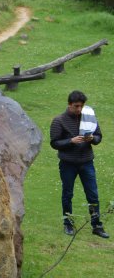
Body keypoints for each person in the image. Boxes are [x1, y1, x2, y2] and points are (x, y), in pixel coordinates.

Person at [50, 90, 107, 239]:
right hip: (68, 163)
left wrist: (92, 139)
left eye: (81, 106)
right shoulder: (59, 121)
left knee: (93, 195)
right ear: (69, 104)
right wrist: (71, 141)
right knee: (67, 194)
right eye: (76, 106)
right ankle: (68, 223)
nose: (79, 109)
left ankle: (96, 225)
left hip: (87, 162)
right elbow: (54, 143)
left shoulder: (88, 118)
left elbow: (99, 136)